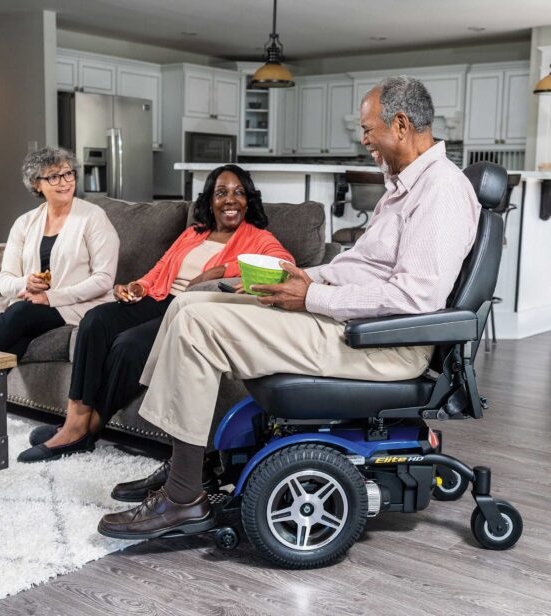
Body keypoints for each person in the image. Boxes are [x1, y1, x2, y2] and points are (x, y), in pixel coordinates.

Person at [97, 75, 482, 541]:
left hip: (383, 345)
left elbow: (415, 298)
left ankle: (183, 498)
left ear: (400, 125)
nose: (364, 141)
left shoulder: (440, 190)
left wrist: (310, 298)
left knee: (198, 322)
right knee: (192, 301)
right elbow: (359, 266)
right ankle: (185, 467)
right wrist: (290, 279)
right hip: (354, 324)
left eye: (367, 129)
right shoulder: (403, 187)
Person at [17, 164, 294, 463]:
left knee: (130, 345)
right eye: (221, 192)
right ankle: (75, 422)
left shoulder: (257, 238)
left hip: (190, 310)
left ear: (248, 200)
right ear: (210, 200)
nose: (230, 199)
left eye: (239, 193)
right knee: (95, 320)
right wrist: (137, 286)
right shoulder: (193, 233)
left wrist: (219, 273)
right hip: (159, 297)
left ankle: (88, 428)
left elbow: (285, 266)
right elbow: (162, 269)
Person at [0, 147, 119, 441]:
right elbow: (5, 280)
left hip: (80, 305)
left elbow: (103, 280)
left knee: (18, 314)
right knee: (16, 335)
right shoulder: (25, 223)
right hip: (33, 306)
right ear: (37, 184)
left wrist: (50, 297)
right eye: (54, 176)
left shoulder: (93, 217)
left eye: (68, 173)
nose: (64, 182)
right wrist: (26, 284)